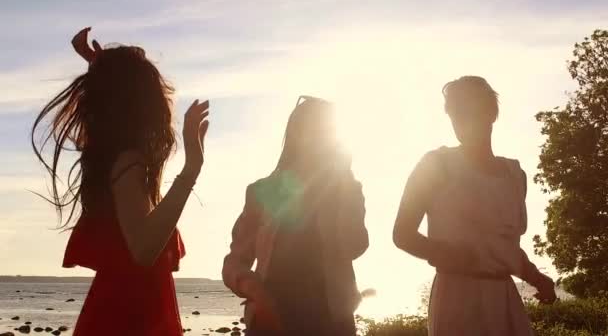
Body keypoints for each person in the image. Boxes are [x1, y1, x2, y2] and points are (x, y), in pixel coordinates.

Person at [31, 27, 210, 336]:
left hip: (119, 316)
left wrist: (99, 66)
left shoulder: (111, 157)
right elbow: (142, 249)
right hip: (130, 321)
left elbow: (108, 101)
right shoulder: (127, 161)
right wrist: (192, 167)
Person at [393, 76, 557, 335]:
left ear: (492, 113)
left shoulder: (515, 174)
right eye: (455, 113)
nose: (460, 120)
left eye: (468, 110)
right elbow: (402, 234)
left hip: (504, 299)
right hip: (456, 300)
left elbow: (505, 248)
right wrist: (448, 254)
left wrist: (538, 279)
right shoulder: (435, 164)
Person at [222, 96, 368, 336]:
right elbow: (234, 262)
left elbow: (356, 246)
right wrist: (255, 290)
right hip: (271, 321)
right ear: (297, 135)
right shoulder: (265, 191)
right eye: (315, 131)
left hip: (331, 322)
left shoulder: (346, 189)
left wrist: (344, 189)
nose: (320, 141)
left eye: (327, 134)